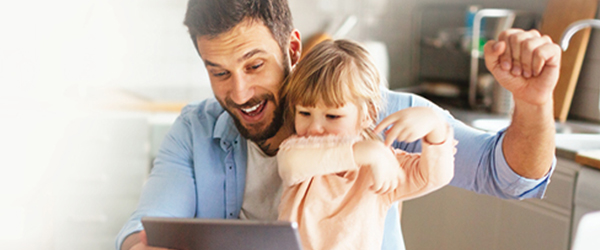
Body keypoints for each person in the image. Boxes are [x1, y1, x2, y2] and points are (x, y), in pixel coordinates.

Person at [116, 0, 561, 249]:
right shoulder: (196, 131)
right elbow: (146, 226)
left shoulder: (376, 112)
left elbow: (507, 177)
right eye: (219, 72)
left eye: (255, 65)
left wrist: (534, 104)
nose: (239, 93)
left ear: (292, 46)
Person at [275, 39, 456, 250]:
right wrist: (364, 152)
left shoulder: (382, 164)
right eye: (304, 113)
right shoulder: (299, 150)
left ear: (367, 114)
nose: (315, 128)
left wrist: (436, 127)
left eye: (332, 116)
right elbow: (289, 164)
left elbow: (434, 177)